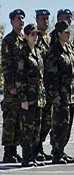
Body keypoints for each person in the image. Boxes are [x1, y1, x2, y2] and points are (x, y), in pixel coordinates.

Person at [44, 21, 74, 164]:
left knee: (68, 124)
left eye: (69, 32)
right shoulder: (54, 51)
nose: (68, 34)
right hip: (60, 94)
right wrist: (55, 95)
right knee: (59, 124)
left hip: (71, 92)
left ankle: (62, 150)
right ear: (59, 34)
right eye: (66, 32)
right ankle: (56, 152)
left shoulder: (69, 48)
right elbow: (50, 76)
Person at [16, 24, 46, 167]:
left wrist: (43, 95)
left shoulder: (38, 52)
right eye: (32, 34)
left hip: (38, 94)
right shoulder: (22, 54)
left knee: (37, 127)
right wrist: (23, 98)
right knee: (27, 127)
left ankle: (33, 156)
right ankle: (26, 157)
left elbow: (41, 75)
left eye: (37, 34)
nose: (35, 37)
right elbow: (19, 78)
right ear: (26, 36)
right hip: (28, 94)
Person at [2, 9, 25, 163]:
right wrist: (11, 85)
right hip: (12, 90)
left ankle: (15, 149)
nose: (21, 21)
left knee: (19, 121)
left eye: (23, 18)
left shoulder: (23, 39)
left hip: (22, 87)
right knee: (10, 120)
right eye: (18, 18)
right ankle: (8, 152)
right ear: (11, 21)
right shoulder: (8, 40)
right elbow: (6, 65)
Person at [34, 9, 53, 161]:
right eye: (42, 18)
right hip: (39, 84)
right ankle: (35, 149)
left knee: (47, 119)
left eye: (47, 18)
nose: (45, 21)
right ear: (37, 20)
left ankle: (40, 146)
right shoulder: (35, 38)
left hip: (49, 85)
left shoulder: (50, 37)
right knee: (38, 120)